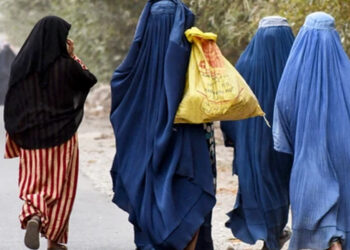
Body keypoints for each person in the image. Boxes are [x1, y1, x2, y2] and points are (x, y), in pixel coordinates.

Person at [109, 0, 216, 249]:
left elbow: (119, 86)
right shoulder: (191, 53)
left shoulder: (135, 67)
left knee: (147, 192)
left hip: (144, 141)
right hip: (187, 140)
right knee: (190, 196)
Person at [4, 16, 97, 250]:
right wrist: (71, 56)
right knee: (61, 186)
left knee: (34, 181)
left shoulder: (21, 66)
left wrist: (15, 133)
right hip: (62, 138)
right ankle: (54, 242)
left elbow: (13, 100)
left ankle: (34, 214)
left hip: (31, 137)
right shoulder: (66, 67)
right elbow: (87, 79)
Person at [273, 12, 350, 250]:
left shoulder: (292, 76)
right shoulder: (347, 72)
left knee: (314, 216)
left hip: (308, 159)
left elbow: (282, 117)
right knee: (342, 217)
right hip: (344, 157)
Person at [221, 16, 294, 250]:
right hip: (287, 145)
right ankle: (274, 234)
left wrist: (233, 137)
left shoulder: (244, 65)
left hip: (252, 144)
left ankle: (268, 235)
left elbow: (229, 106)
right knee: (280, 190)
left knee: (258, 187)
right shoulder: (296, 65)